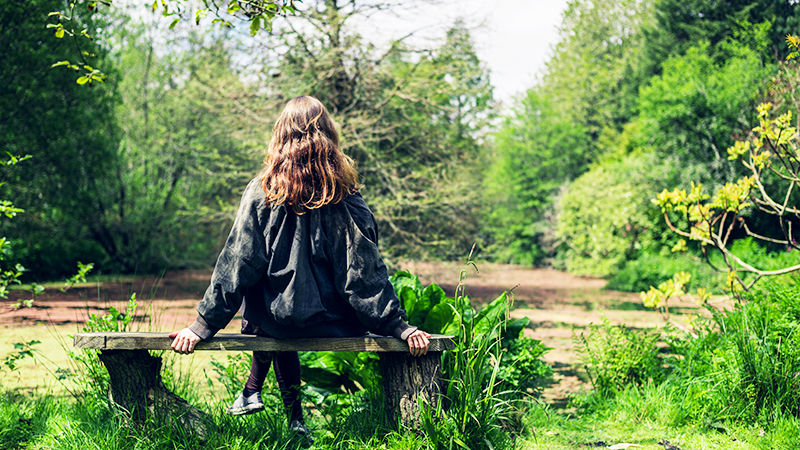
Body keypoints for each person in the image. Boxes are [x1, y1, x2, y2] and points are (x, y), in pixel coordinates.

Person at [169, 95, 431, 440]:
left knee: (266, 290)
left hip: (278, 324)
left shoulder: (262, 193)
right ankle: (287, 417)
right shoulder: (346, 196)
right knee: (279, 291)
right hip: (338, 325)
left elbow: (237, 265)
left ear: (281, 136)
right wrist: (398, 326)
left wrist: (202, 325)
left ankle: (260, 397)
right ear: (328, 137)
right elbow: (363, 272)